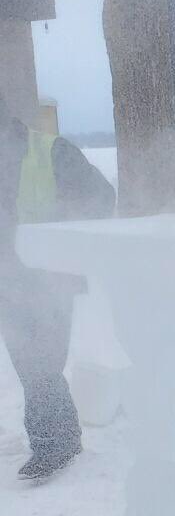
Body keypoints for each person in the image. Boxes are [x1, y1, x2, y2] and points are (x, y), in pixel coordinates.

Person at [0, 92, 115, 479]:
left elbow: (100, 198)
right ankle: (60, 440)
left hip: (51, 281)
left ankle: (54, 445)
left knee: (41, 364)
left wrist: (59, 236)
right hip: (9, 282)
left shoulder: (51, 151)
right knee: (30, 365)